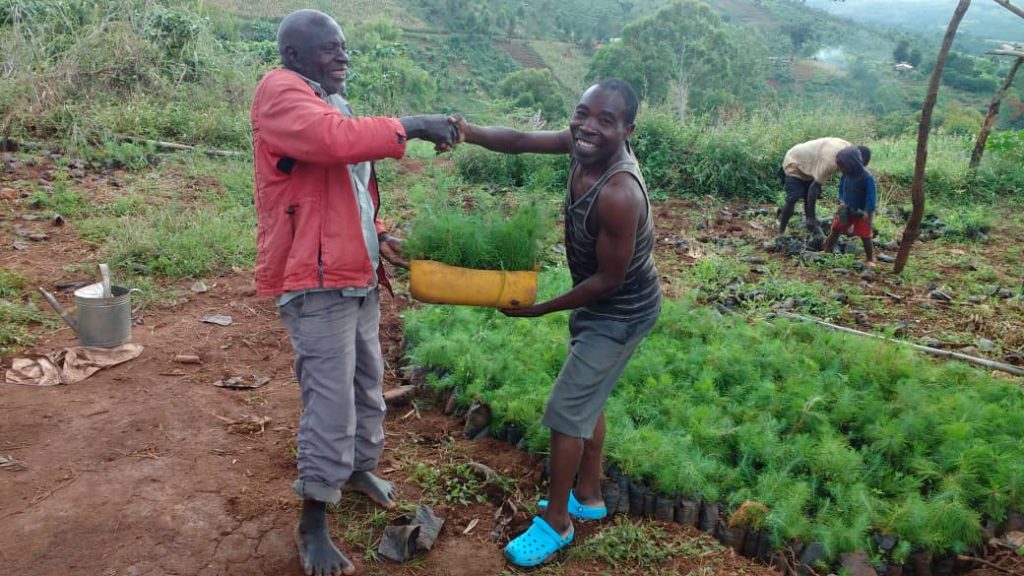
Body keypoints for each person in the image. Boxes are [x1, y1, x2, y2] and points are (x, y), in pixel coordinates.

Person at [250, 9, 457, 576]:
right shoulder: (281, 93)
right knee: (330, 401)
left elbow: (349, 184)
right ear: (294, 55)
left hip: (354, 269)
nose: (343, 56)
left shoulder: (326, 99)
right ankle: (313, 520)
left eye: (344, 47)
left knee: (368, 382)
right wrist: (411, 125)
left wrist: (382, 235)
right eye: (329, 49)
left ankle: (359, 467)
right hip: (313, 278)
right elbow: (331, 143)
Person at [449, 79, 661, 568]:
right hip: (602, 306)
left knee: (566, 413)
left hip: (621, 312)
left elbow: (609, 279)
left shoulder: (620, 193)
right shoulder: (582, 146)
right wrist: (470, 132)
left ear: (628, 130)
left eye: (605, 121)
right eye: (582, 113)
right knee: (589, 398)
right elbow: (522, 141)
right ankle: (588, 495)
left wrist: (541, 308)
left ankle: (558, 523)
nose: (588, 127)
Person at [779, 137, 872, 238]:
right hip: (795, 161)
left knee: (807, 196)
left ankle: (811, 229)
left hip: (811, 164)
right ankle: (781, 232)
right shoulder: (830, 161)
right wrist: (812, 218)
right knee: (793, 197)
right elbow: (813, 189)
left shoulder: (850, 151)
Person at [823, 145, 878, 266]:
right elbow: (841, 189)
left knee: (865, 235)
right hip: (846, 208)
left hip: (862, 212)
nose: (841, 168)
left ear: (853, 163)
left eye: (843, 165)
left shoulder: (867, 177)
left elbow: (871, 197)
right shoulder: (846, 174)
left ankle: (870, 259)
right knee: (836, 229)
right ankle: (826, 250)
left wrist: (867, 211)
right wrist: (841, 201)